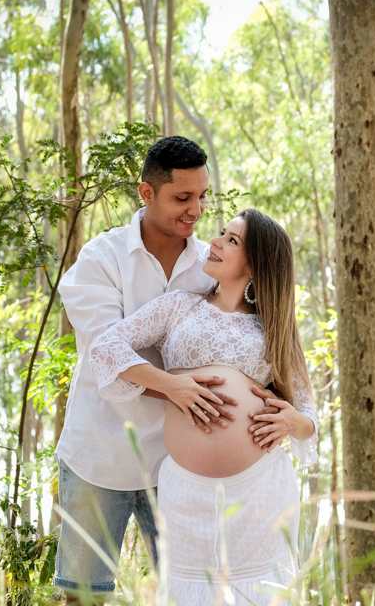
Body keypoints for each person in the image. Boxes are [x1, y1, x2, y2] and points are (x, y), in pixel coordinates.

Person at [90, 208, 318, 605]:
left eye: (232, 240)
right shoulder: (179, 307)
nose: (214, 241)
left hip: (260, 490)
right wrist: (172, 386)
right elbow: (106, 349)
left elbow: (308, 417)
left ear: (256, 263)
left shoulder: (275, 328)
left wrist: (292, 421)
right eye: (220, 233)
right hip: (186, 492)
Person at [55, 136, 249, 603]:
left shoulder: (211, 267)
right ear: (146, 194)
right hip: (99, 454)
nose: (196, 210)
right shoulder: (100, 259)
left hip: (180, 464)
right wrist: (180, 389)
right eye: (182, 198)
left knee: (190, 594)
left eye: (202, 196)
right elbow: (105, 348)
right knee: (84, 595)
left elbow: (246, 343)